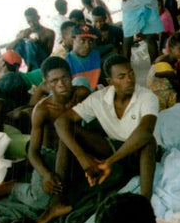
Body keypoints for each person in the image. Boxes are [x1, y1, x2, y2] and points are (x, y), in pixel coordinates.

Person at [55, 55, 159, 200]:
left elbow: (146, 131)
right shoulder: (98, 98)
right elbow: (61, 121)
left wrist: (109, 162)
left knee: (149, 141)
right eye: (121, 77)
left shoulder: (147, 97)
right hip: (112, 147)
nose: (129, 80)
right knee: (69, 132)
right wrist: (82, 158)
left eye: (131, 73)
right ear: (110, 82)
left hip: (137, 153)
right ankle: (57, 202)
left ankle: (144, 200)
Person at [28, 56, 92, 223]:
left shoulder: (81, 94)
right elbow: (32, 151)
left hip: (77, 151)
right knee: (40, 201)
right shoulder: (42, 110)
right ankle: (13, 188)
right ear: (47, 85)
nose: (61, 84)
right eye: (54, 81)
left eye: (64, 78)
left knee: (67, 130)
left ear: (71, 76)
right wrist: (45, 175)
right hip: (51, 155)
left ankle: (56, 203)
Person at [148, 32, 180, 110]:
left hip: (160, 93)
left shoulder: (167, 58)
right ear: (171, 49)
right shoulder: (165, 65)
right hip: (159, 98)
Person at [66, 24, 102, 90]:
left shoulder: (95, 55)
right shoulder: (66, 62)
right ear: (72, 41)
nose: (87, 46)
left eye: (90, 41)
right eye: (82, 41)